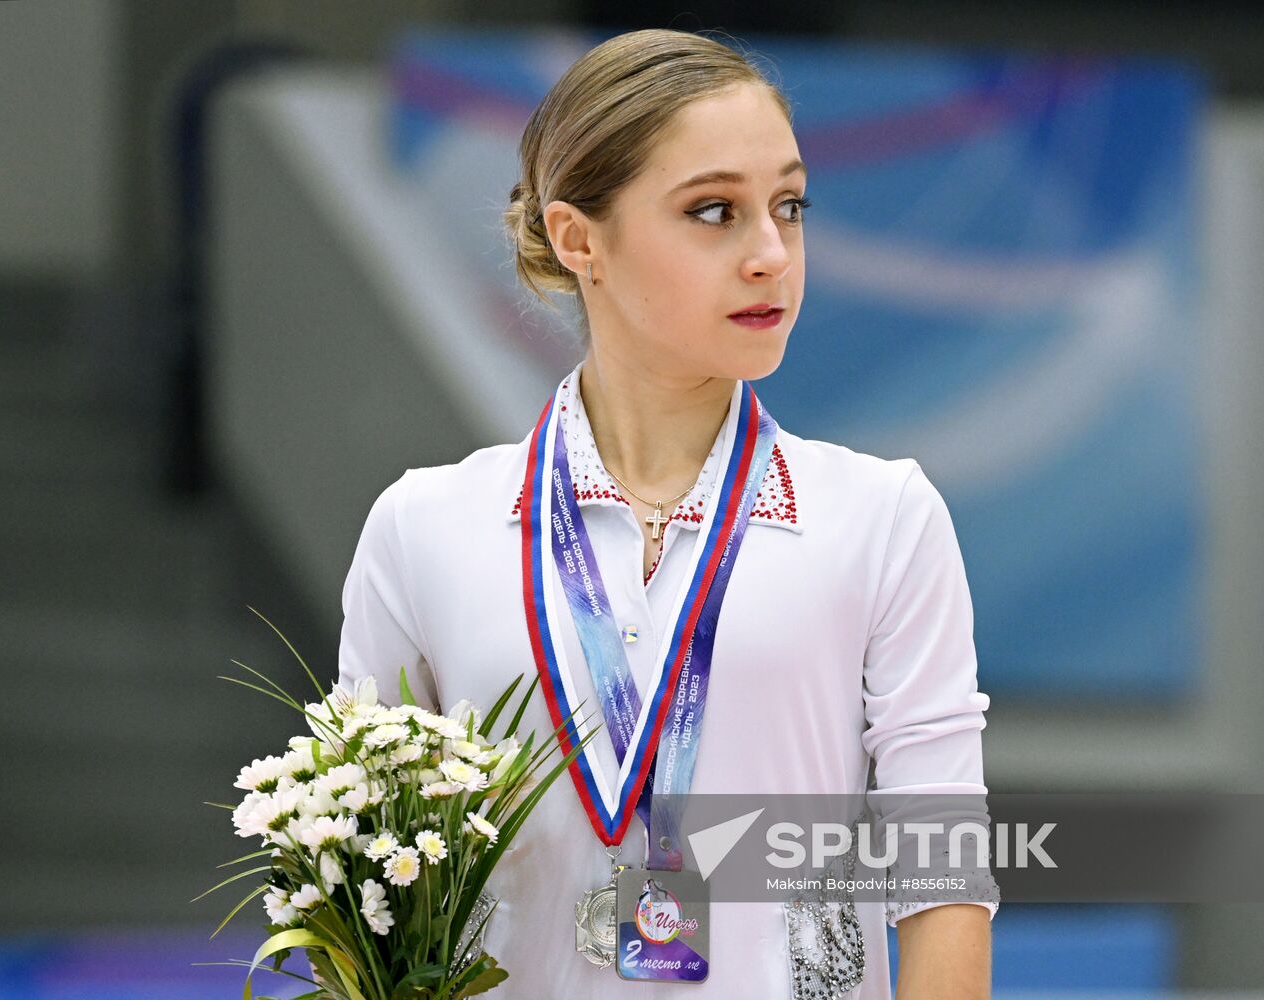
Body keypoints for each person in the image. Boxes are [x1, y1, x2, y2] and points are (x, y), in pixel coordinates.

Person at [338, 27, 997, 998]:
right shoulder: (423, 527)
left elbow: (941, 877)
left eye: (789, 205)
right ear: (577, 239)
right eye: (714, 211)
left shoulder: (883, 516)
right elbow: (364, 893)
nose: (771, 253)